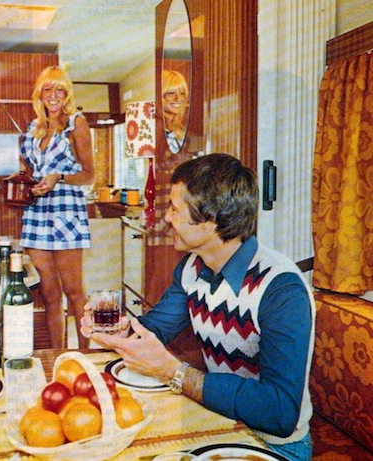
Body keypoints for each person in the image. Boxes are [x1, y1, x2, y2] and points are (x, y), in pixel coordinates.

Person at [81, 153, 315, 461]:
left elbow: (279, 412)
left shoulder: (281, 291)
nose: (167, 218)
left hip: (273, 445)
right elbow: (156, 328)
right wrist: (119, 330)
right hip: (219, 421)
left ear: (210, 221)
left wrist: (175, 373)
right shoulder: (191, 268)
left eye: (175, 209)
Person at [18, 65, 95, 349]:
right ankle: (57, 355)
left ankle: (85, 355)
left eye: (60, 89)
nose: (53, 95)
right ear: (39, 93)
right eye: (48, 89)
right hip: (37, 213)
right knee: (50, 294)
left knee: (74, 291)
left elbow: (89, 175)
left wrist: (58, 177)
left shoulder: (77, 124)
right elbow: (31, 170)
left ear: (67, 94)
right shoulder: (33, 128)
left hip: (66, 213)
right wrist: (26, 182)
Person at [162, 70, 189, 153]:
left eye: (182, 93)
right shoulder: (150, 128)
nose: (178, 98)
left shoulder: (183, 131)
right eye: (171, 93)